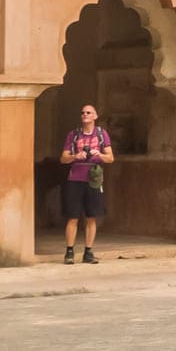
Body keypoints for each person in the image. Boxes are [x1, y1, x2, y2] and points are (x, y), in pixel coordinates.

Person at [59, 103, 114, 264]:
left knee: (91, 217)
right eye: (83, 112)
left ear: (95, 116)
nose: (85, 115)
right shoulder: (74, 135)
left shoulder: (102, 134)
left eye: (89, 112)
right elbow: (63, 159)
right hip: (75, 178)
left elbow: (110, 158)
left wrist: (99, 154)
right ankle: (69, 252)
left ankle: (88, 252)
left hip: (93, 180)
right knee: (73, 216)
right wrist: (76, 156)